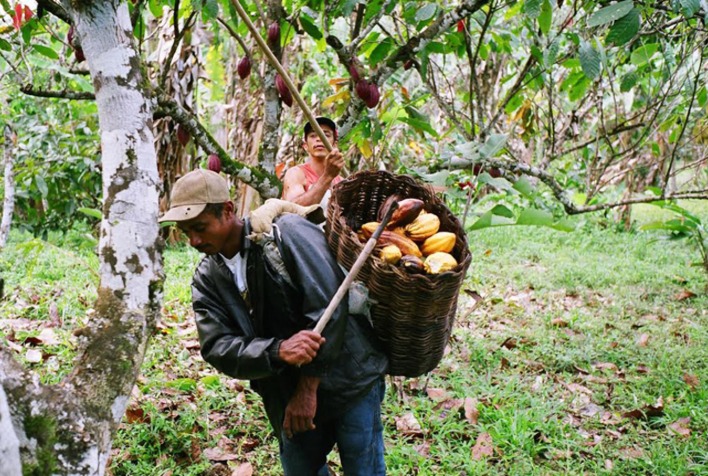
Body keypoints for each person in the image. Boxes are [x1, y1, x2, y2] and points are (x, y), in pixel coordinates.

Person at [159, 169, 388, 475]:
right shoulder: (207, 278)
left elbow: (329, 306)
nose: (194, 240)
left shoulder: (286, 232)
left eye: (200, 227)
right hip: (284, 393)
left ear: (228, 210)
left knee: (364, 468)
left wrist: (308, 389)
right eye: (186, 232)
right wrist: (277, 351)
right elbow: (216, 345)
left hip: (349, 377)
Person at [281, 117, 344, 209]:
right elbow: (293, 210)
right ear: (305, 146)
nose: (319, 139)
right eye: (313, 135)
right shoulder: (295, 174)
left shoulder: (342, 182)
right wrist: (327, 176)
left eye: (326, 135)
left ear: (334, 145)